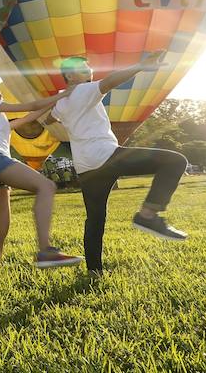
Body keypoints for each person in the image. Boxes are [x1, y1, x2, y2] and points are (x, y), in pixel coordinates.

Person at [44, 51, 188, 275]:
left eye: (87, 67)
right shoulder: (85, 90)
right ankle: (148, 215)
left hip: (85, 166)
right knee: (175, 161)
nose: (88, 71)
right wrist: (141, 66)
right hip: (105, 155)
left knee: (95, 219)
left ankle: (94, 270)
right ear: (70, 77)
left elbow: (49, 118)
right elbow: (110, 82)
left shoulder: (62, 99)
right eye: (81, 69)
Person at [0, 85, 82, 272]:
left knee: (0, 230)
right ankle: (46, 250)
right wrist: (63, 94)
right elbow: (32, 105)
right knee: (46, 186)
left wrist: (54, 103)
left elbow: (29, 117)